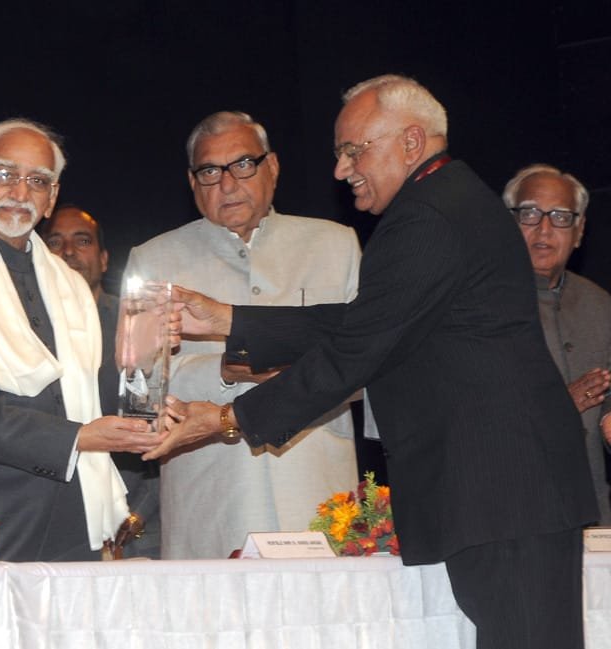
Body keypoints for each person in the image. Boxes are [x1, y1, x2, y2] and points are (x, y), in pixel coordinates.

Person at [150, 76, 598, 649]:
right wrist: (230, 320)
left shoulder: (428, 217)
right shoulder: (447, 202)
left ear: (411, 142)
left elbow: (357, 348)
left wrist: (225, 419)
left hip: (503, 492)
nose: (341, 170)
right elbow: (369, 323)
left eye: (353, 150)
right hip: (506, 492)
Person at [0, 118, 161, 562]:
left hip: (72, 516)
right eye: (5, 175)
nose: (20, 193)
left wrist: (142, 360)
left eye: (37, 181)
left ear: (52, 197)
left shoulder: (69, 286)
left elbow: (86, 400)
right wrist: (77, 439)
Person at [125, 110, 362, 559]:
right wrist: (227, 368)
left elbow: (370, 364)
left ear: (272, 167)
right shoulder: (154, 260)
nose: (228, 184)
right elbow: (139, 390)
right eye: (210, 171)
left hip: (317, 493)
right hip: (210, 496)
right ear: (192, 182)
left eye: (243, 164)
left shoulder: (335, 245)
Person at [40, 204, 161, 558]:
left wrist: (135, 515)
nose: (68, 252)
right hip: (49, 522)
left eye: (82, 241)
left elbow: (156, 423)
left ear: (105, 260)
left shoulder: (136, 324)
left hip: (137, 525)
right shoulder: (20, 333)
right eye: (55, 242)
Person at [503, 164, 611, 523]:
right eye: (530, 214)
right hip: (511, 512)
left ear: (579, 232)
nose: (545, 229)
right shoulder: (477, 305)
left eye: (561, 217)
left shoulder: (600, 304)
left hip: (591, 510)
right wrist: (559, 405)